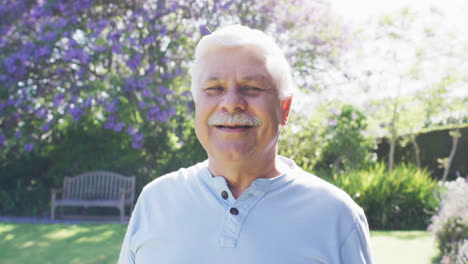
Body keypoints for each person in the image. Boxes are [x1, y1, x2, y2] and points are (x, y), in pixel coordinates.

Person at [118, 24, 374, 264]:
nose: (231, 102)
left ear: (284, 108)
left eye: (251, 88)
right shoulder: (155, 202)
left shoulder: (337, 217)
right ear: (197, 105)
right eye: (214, 88)